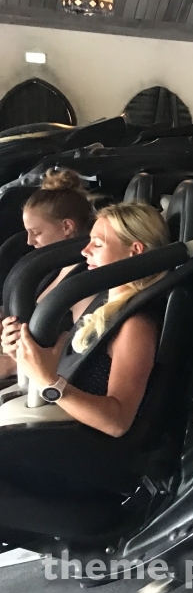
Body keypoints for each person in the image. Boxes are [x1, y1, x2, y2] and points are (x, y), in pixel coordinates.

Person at [11, 202, 170, 437]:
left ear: (134, 251)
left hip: (91, 453)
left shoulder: (134, 324)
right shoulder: (104, 303)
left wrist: (48, 382)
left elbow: (118, 422)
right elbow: (68, 357)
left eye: (97, 244)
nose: (85, 251)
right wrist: (23, 350)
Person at [0, 170, 95, 378]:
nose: (29, 242)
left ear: (67, 226)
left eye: (37, 232)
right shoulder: (49, 270)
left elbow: (83, 348)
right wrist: (8, 335)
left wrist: (12, 364)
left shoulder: (87, 280)